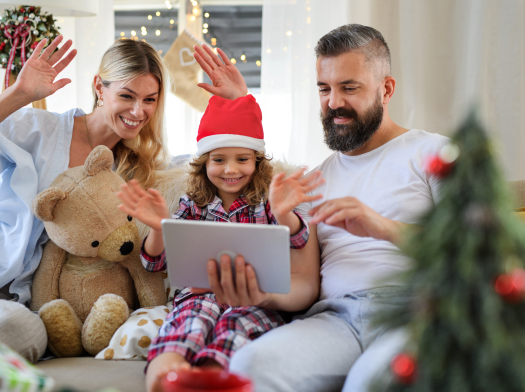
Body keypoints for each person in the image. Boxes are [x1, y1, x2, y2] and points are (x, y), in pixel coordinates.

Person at [192, 24, 449, 391]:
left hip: (413, 314)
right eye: (324, 88)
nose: (333, 103)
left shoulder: (434, 154)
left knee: (371, 383)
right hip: (336, 320)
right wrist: (259, 293)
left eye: (349, 88)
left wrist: (382, 227)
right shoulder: (311, 182)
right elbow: (305, 286)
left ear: (386, 89)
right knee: (251, 365)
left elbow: (478, 252)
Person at [0, 36, 171, 362]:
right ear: (100, 87)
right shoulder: (40, 129)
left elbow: (135, 254)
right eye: (127, 95)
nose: (138, 111)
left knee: (26, 337)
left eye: (149, 100)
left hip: (21, 300)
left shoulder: (136, 172)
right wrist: (18, 95)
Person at [116, 95, 324, 392]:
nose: (230, 170)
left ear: (257, 161)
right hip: (199, 296)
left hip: (253, 299)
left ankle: (211, 380)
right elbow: (154, 263)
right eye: (219, 160)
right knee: (188, 323)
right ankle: (164, 380)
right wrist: (159, 229)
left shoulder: (266, 204)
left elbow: (298, 238)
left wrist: (284, 214)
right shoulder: (192, 204)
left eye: (242, 159)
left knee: (237, 327)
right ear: (204, 163)